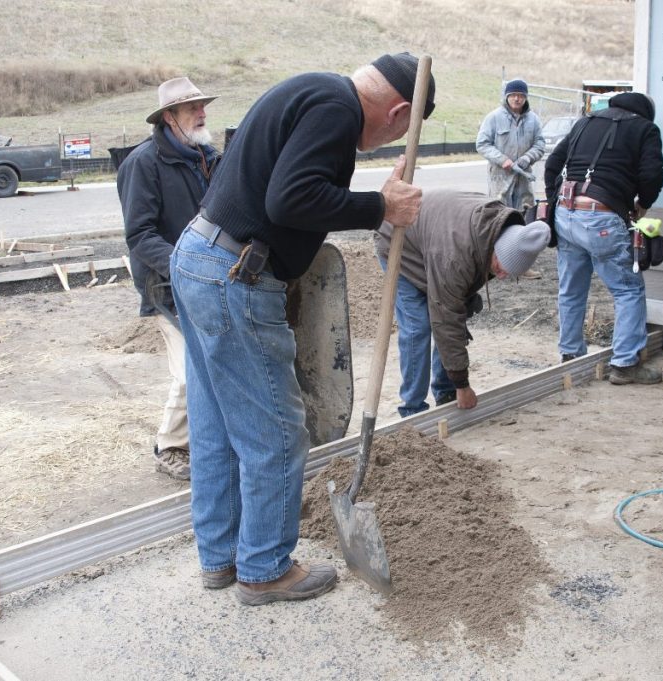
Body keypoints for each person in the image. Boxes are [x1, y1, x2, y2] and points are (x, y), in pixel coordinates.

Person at [169, 52, 433, 605]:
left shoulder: (312, 91)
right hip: (234, 275)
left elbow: (280, 187)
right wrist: (380, 205)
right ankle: (263, 569)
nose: (389, 142)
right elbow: (290, 199)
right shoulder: (336, 110)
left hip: (200, 256)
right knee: (275, 430)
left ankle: (222, 559)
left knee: (216, 423)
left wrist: (374, 200)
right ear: (399, 110)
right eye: (402, 131)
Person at [116, 76, 221, 481]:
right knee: (188, 369)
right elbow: (139, 235)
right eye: (192, 108)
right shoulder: (142, 164)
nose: (202, 113)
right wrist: (184, 265)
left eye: (202, 105)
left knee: (212, 364)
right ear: (168, 117)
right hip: (167, 286)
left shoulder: (208, 157)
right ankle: (170, 446)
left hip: (210, 281)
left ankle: (205, 439)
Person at [375, 189, 550, 416]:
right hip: (399, 242)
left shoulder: (496, 230)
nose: (503, 276)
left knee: (451, 312)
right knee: (419, 326)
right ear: (496, 250)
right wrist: (462, 384)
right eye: (501, 268)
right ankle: (412, 409)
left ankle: (445, 391)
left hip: (433, 241)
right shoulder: (455, 257)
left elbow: (452, 308)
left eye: (509, 273)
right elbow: (445, 318)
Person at [543, 92, 663, 385]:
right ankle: (624, 364)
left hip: (566, 212)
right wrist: (642, 205)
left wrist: (555, 199)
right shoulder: (646, 129)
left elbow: (551, 166)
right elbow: (652, 174)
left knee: (571, 289)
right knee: (627, 291)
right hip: (602, 215)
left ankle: (571, 355)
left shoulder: (585, 122)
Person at [476, 79, 545, 279]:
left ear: (526, 98)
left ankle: (520, 265)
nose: (517, 98)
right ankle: (494, 264)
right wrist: (502, 159)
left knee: (520, 218)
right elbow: (482, 144)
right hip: (500, 179)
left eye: (521, 95)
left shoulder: (533, 120)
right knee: (498, 219)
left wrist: (526, 159)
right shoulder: (494, 118)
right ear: (506, 96)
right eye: (513, 95)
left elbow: (540, 144)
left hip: (522, 180)